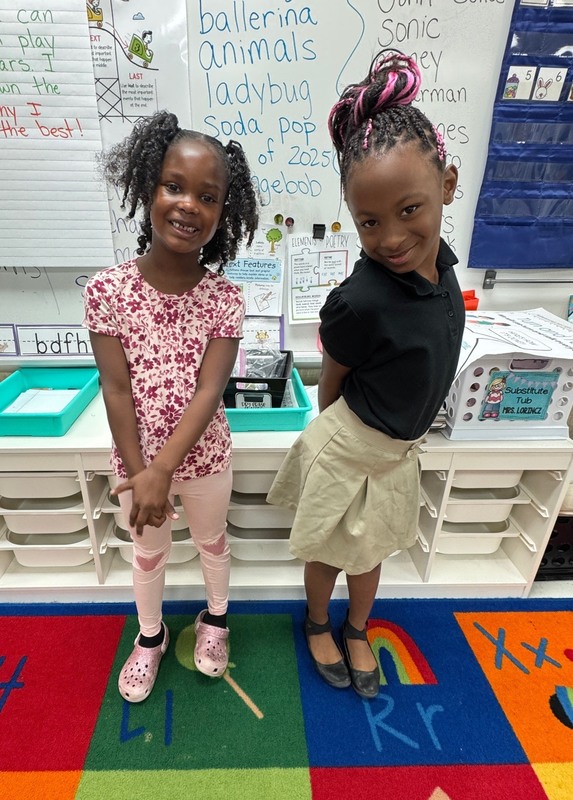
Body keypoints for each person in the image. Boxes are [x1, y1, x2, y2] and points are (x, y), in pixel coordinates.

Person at [267, 51, 465, 699]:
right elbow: (332, 381)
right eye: (368, 222)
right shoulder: (359, 298)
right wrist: (334, 444)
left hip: (400, 453)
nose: (390, 237)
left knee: (372, 548)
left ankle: (358, 626)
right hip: (351, 445)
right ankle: (317, 620)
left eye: (409, 210)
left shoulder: (445, 270)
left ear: (447, 185)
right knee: (329, 546)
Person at [83, 111, 258, 702]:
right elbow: (117, 390)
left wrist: (164, 470)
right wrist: (142, 474)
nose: (188, 205)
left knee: (212, 543)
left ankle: (216, 620)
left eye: (207, 196)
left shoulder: (225, 299)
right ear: (147, 188)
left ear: (223, 213)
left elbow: (210, 391)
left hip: (205, 458)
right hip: (136, 462)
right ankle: (151, 637)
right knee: (148, 551)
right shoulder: (107, 291)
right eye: (174, 186)